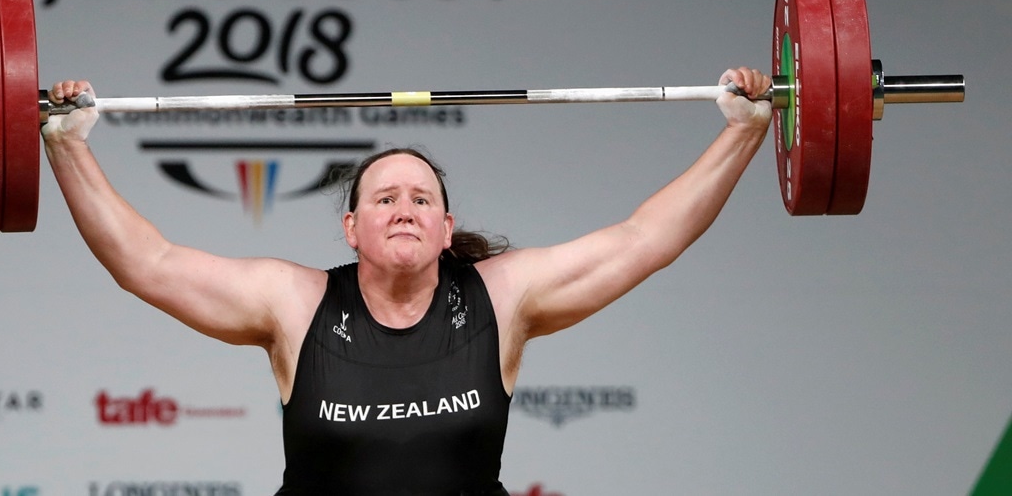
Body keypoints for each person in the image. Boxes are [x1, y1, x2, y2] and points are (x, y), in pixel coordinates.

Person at [42, 68, 772, 496]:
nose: (403, 209)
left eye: (421, 198)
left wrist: (744, 129)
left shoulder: (501, 297)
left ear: (447, 229)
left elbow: (645, 239)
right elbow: (149, 262)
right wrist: (65, 145)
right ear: (351, 228)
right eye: (383, 198)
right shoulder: (295, 305)